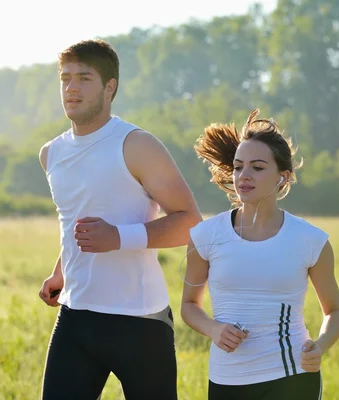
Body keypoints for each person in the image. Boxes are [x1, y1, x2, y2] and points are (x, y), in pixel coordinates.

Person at [37, 39, 202, 400]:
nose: (72, 88)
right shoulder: (51, 153)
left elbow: (190, 221)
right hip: (76, 316)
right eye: (65, 78)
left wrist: (119, 237)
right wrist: (60, 271)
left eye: (84, 78)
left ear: (110, 87)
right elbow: (74, 222)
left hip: (139, 321)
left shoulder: (137, 145)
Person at [180, 109, 339, 399]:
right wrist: (214, 329)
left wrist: (320, 345)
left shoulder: (310, 240)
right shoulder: (205, 236)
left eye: (257, 168)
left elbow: (335, 312)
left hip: (292, 375)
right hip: (227, 378)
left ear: (283, 177)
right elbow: (189, 307)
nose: (244, 176)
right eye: (238, 167)